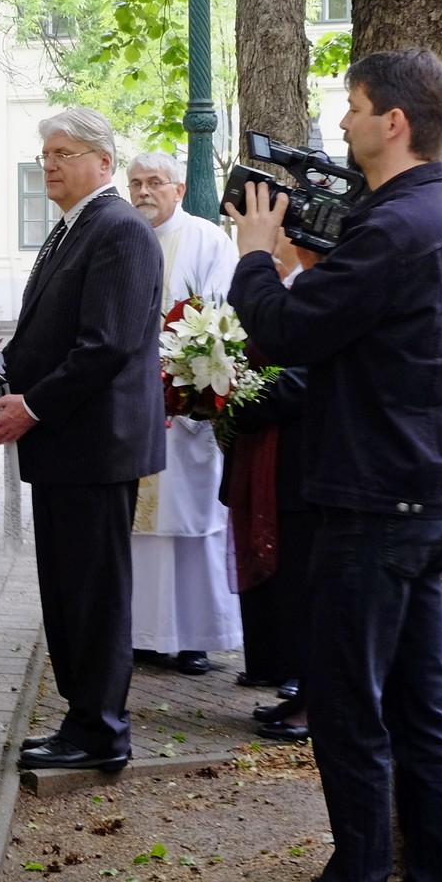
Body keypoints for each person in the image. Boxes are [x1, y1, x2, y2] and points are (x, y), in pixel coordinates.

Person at [226, 48, 442, 882]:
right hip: (419, 501)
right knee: (420, 712)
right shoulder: (433, 222)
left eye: (354, 106)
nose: (342, 123)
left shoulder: (398, 228)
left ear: (394, 123)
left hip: (372, 507)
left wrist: (256, 259)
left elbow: (287, 329)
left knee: (347, 713)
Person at [0, 108, 165, 774]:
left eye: (63, 153)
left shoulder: (119, 230)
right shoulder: (72, 228)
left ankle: (102, 731)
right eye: (45, 155)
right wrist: (1, 368)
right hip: (69, 447)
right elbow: (54, 330)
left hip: (95, 447)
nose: (49, 165)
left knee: (93, 596)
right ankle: (82, 720)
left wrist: (32, 405)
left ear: (103, 162)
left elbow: (106, 344)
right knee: (67, 594)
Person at [124, 151, 242, 676]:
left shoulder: (207, 240)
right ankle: (144, 634)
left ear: (178, 189)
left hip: (186, 407)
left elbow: (222, 317)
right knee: (139, 529)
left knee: (192, 523)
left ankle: (196, 636)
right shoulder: (124, 236)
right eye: (135, 183)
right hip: (133, 406)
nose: (144, 192)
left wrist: (187, 379)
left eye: (155, 182)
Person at [225, 243, 322, 741]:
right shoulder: (285, 289)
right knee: (285, 588)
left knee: (305, 587)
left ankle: (313, 702)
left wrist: (241, 397)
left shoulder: (320, 291)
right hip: (268, 456)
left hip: (301, 458)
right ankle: (297, 690)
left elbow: (306, 377)